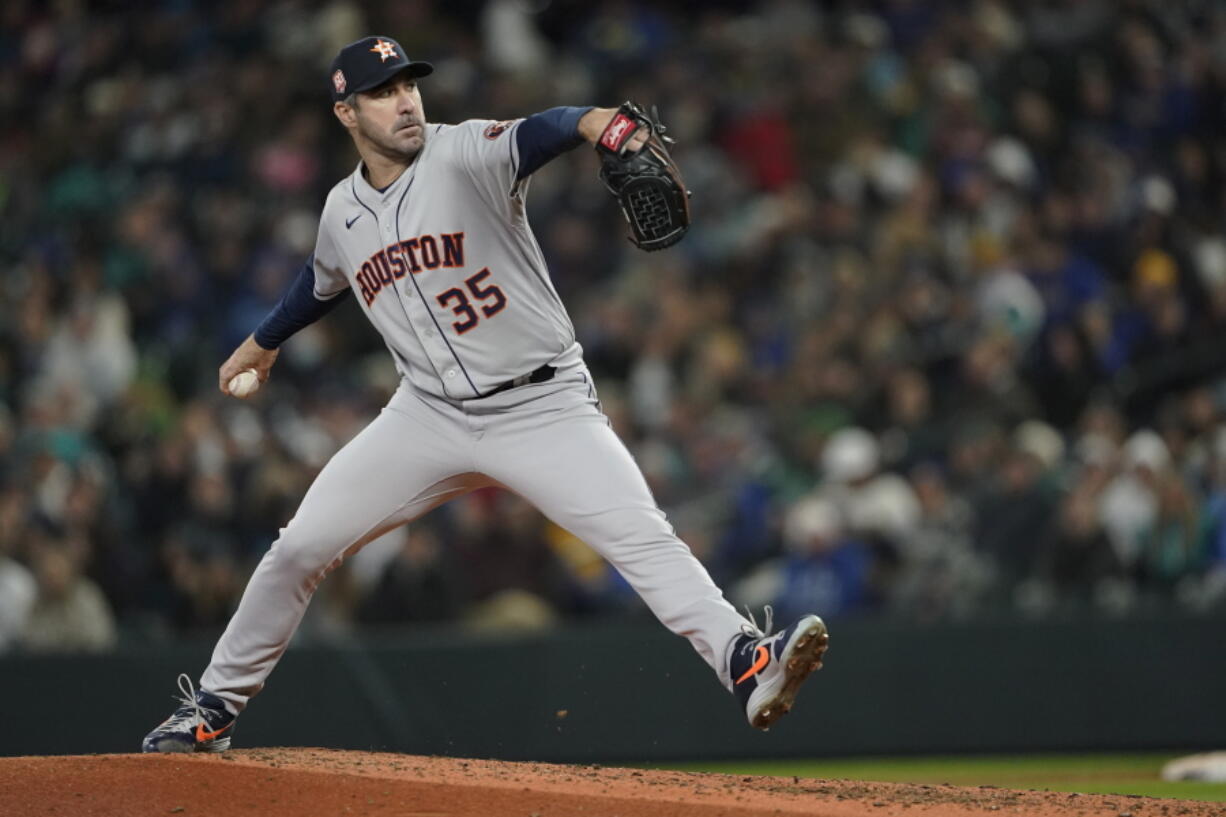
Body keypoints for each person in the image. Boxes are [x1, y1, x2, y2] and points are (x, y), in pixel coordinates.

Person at [141, 36, 828, 753]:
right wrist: (263, 341)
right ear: (346, 112)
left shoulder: (464, 152)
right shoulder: (340, 210)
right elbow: (319, 283)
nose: (405, 100)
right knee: (297, 550)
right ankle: (210, 711)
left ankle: (750, 662)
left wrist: (602, 124)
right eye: (382, 92)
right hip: (427, 415)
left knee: (642, 538)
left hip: (542, 405)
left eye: (409, 84)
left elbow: (545, 130)